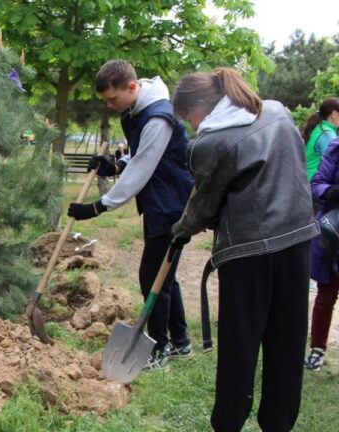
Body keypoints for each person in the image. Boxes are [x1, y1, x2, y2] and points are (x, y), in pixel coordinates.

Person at [171, 68, 317, 432]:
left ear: (201, 106)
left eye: (188, 117)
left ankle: (228, 424)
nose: (190, 126)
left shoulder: (210, 144)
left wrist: (180, 231)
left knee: (239, 345)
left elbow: (203, 206)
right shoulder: (278, 112)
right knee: (288, 341)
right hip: (298, 241)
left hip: (248, 255)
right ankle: (278, 424)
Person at [68, 60, 194, 370]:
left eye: (113, 99)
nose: (110, 106)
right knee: (165, 275)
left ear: (132, 87)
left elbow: (142, 168)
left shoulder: (158, 118)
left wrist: (99, 206)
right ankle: (181, 342)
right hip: (160, 200)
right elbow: (138, 156)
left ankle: (159, 348)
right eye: (106, 101)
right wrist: (113, 166)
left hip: (172, 204)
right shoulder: (136, 111)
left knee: (153, 277)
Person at [306, 135, 339, 371]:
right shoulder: (336, 147)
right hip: (335, 235)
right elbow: (316, 184)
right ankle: (317, 348)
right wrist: (331, 193)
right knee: (326, 295)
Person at [302, 97, 339, 181]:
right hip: (314, 184)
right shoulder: (327, 134)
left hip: (307, 181)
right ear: (334, 114)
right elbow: (334, 164)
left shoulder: (319, 128)